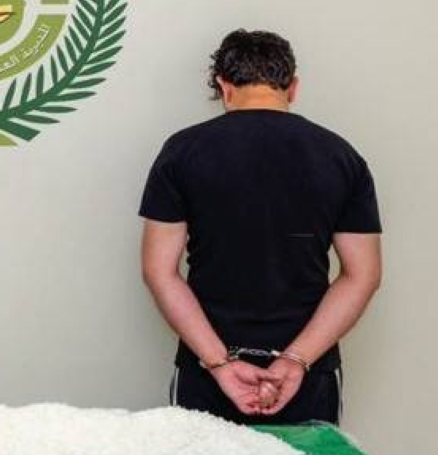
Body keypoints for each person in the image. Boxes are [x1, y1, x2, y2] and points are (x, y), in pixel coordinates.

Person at [138, 29, 382, 425]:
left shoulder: (181, 152)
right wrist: (296, 359)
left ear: (223, 87)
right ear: (293, 87)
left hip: (207, 371)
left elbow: (159, 272)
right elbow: (363, 275)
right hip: (308, 375)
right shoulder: (340, 156)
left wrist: (219, 363)